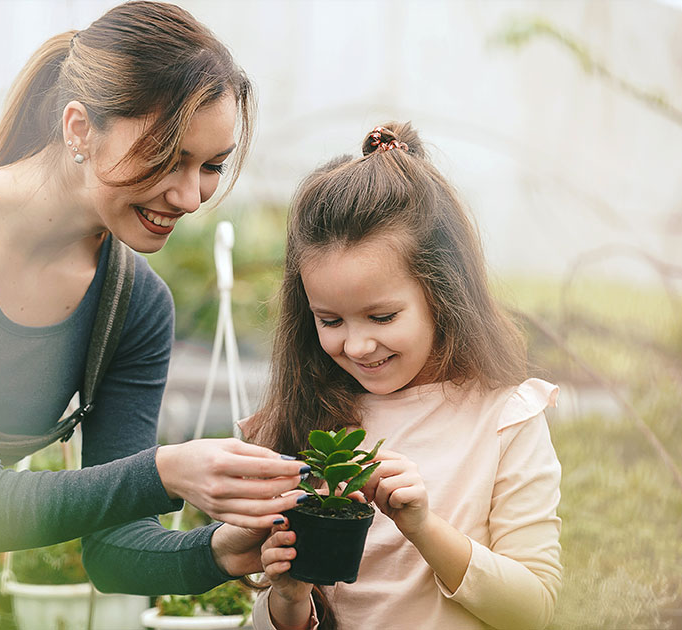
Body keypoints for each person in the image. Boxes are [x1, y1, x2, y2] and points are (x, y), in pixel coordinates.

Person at [0, 2, 309, 628]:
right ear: (79, 127)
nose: (189, 196)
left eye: (210, 167)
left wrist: (221, 550)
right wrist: (170, 470)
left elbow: (118, 555)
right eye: (167, 158)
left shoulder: (132, 306)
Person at [240, 123, 563, 629]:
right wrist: (286, 598)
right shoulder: (296, 422)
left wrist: (423, 527)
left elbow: (535, 609)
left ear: (443, 294)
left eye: (383, 317)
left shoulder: (505, 420)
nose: (357, 345)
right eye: (330, 320)